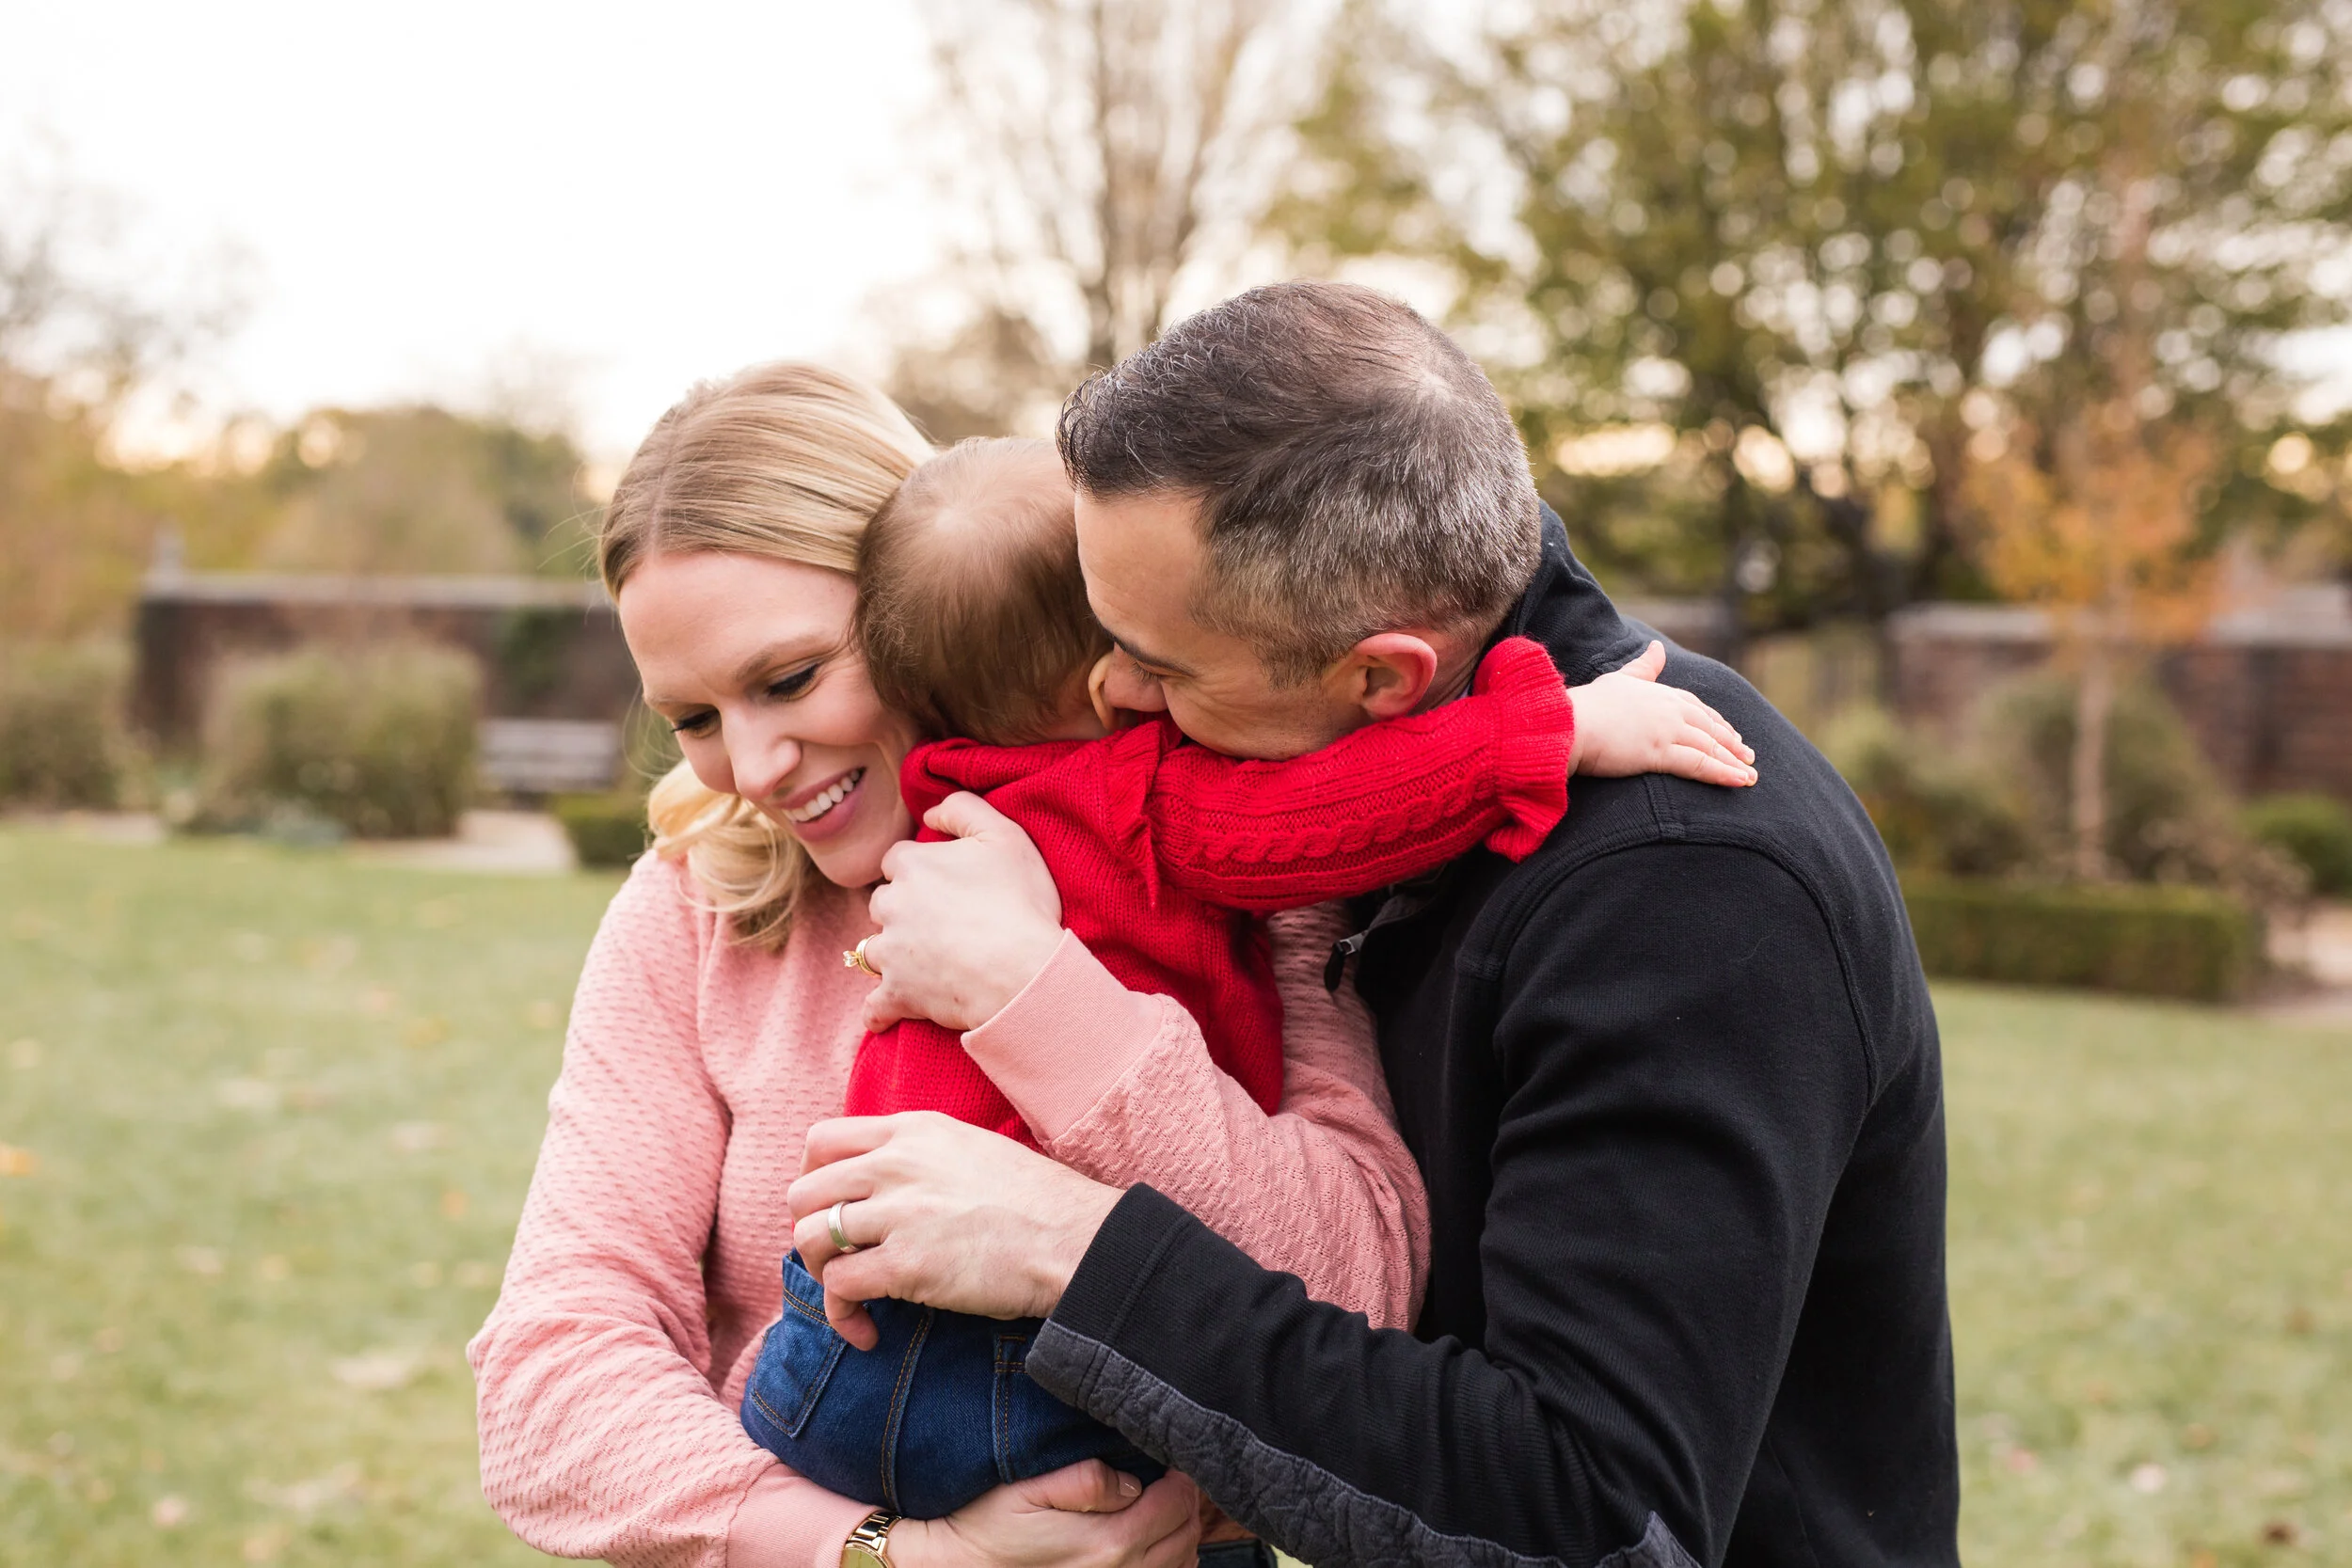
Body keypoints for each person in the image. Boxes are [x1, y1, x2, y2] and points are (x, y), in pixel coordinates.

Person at [784, 282, 1963, 1568]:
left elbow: (1594, 1513)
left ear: (1382, 673)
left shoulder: (1685, 889)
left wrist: (1071, 1245)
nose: (1115, 696)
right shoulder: (1357, 773)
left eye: (1161, 667)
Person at [471, 362, 1434, 1568]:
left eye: (789, 678)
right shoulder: (695, 911)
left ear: (929, 605)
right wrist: (896, 1555)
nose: (757, 765)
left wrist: (1035, 993)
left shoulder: (1222, 851)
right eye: (696, 717)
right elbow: (550, 1371)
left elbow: (1367, 1288)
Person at [742, 435, 1757, 1526]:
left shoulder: (946, 799)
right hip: (1003, 1343)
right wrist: (1555, 728)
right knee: (1162, 1515)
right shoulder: (1145, 797)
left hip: (833, 1329)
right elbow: (1341, 807)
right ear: (1110, 679)